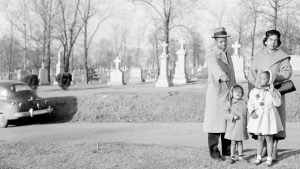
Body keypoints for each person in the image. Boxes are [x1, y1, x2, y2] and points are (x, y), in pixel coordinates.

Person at [247, 29, 293, 162]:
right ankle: (263, 150)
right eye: (271, 39)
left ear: (278, 41)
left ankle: (273, 150)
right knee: (261, 122)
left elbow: (287, 72)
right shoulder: (258, 56)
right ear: (265, 41)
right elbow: (252, 74)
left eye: (276, 40)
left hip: (274, 92)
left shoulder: (282, 56)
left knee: (274, 121)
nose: (273, 42)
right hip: (259, 94)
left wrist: (273, 77)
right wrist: (252, 90)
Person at [203, 27, 236, 160]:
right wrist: (220, 74)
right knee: (215, 122)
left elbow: (232, 73)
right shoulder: (211, 53)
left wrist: (234, 88)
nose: (223, 44)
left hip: (228, 91)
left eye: (225, 42)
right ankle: (214, 151)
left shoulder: (228, 54)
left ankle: (227, 151)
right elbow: (213, 66)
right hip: (216, 92)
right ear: (215, 41)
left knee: (227, 122)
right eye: (221, 42)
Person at [247, 70, 283, 166]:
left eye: (264, 78)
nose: (261, 80)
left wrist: (272, 92)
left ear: (269, 80)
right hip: (259, 117)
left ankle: (269, 158)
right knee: (260, 138)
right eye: (260, 77)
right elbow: (250, 102)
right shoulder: (254, 91)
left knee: (269, 138)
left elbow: (278, 103)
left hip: (268, 118)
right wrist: (252, 111)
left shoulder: (274, 92)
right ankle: (258, 157)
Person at [224, 84, 249, 164]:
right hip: (232, 126)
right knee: (233, 142)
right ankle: (232, 157)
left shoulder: (245, 103)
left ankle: (241, 156)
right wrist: (231, 116)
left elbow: (248, 113)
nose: (237, 93)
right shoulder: (229, 103)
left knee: (240, 142)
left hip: (241, 126)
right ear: (232, 93)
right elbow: (225, 113)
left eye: (239, 91)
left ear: (242, 93)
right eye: (235, 91)